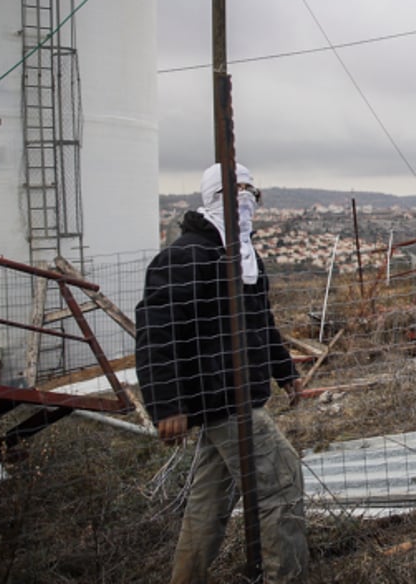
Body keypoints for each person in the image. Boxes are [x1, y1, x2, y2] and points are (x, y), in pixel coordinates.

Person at [136, 162, 307, 584]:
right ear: (213, 197)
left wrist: (285, 372)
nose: (247, 198)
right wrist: (167, 404)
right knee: (282, 482)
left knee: (209, 499)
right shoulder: (185, 255)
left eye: (253, 190)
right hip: (219, 395)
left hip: (238, 394)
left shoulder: (244, 254)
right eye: (237, 190)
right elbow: (157, 333)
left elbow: (260, 322)